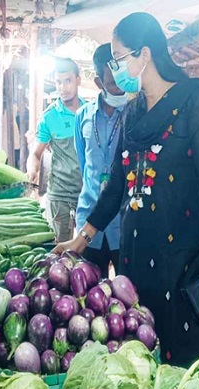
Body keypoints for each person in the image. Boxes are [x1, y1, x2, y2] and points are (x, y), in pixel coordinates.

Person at [55, 12, 199, 368]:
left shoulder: (197, 100)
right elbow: (116, 187)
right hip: (137, 264)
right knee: (142, 360)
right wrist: (81, 239)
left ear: (145, 54)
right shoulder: (133, 112)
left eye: (119, 58)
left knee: (187, 366)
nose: (116, 69)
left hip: (186, 263)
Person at [74, 43, 127, 278]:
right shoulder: (82, 117)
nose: (120, 88)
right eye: (113, 83)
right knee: (91, 294)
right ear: (98, 83)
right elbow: (84, 165)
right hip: (89, 220)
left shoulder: (133, 114)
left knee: (129, 293)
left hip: (123, 224)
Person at [27, 58, 84, 242]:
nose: (63, 88)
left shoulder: (90, 112)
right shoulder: (49, 117)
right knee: (59, 252)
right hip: (59, 195)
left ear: (78, 80)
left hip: (87, 194)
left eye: (68, 81)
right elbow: (36, 154)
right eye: (59, 82)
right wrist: (32, 171)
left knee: (90, 254)